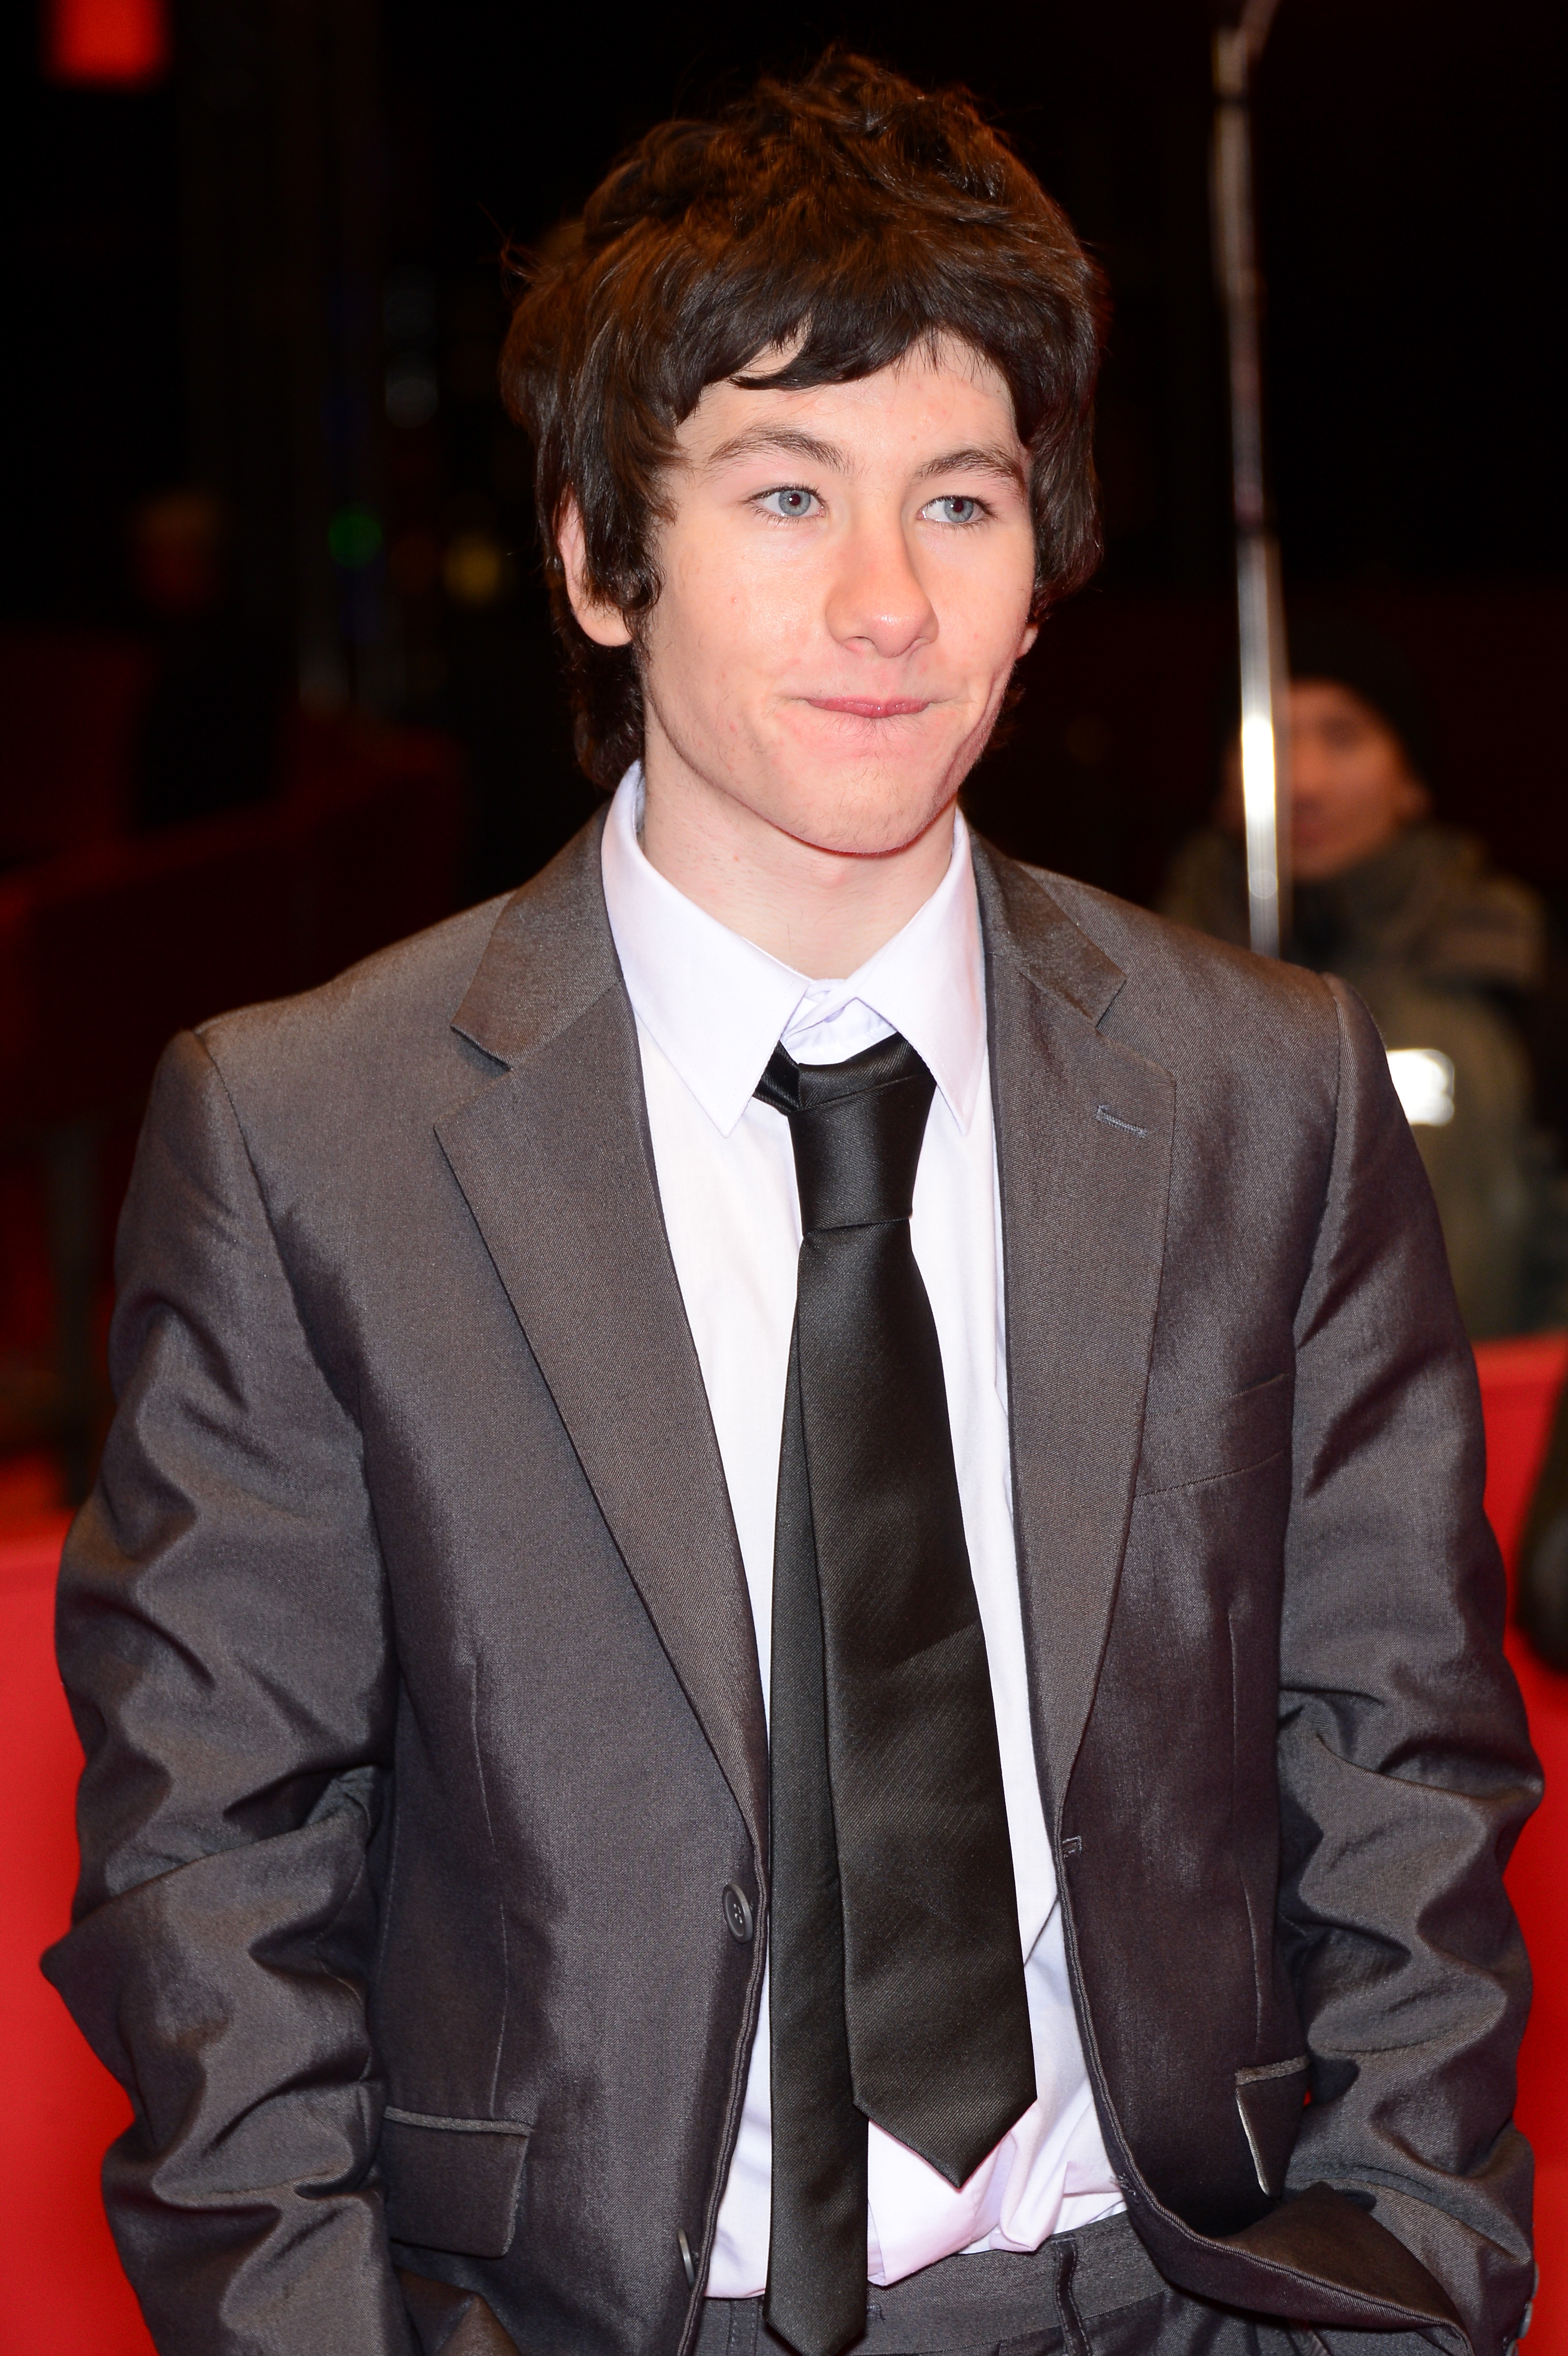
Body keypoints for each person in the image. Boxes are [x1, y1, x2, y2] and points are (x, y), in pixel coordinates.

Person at [46, 56, 1537, 2356]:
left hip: (1176, 2291)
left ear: (1043, 570)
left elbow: (1399, 1762)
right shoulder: (312, 1137)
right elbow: (210, 1875)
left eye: (959, 499)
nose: (884, 600)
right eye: (781, 490)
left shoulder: (1265, 1091)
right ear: (594, 556)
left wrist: (1402, 2276)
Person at [1160, 619, 1568, 1337]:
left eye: (1343, 737)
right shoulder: (1144, 983)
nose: (1304, 783)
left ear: (1410, 779)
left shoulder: (1513, 968)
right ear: (1223, 785)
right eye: (1269, 739)